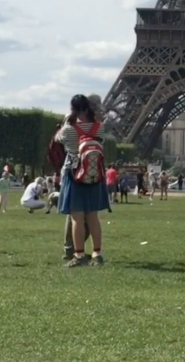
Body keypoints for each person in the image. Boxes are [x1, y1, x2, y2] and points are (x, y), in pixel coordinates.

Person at [57, 94, 110, 267]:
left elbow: (58, 139)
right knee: (93, 216)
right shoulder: (99, 127)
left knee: (77, 218)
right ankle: (97, 253)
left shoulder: (69, 129)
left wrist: (66, 121)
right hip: (95, 174)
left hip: (74, 174)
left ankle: (78, 255)